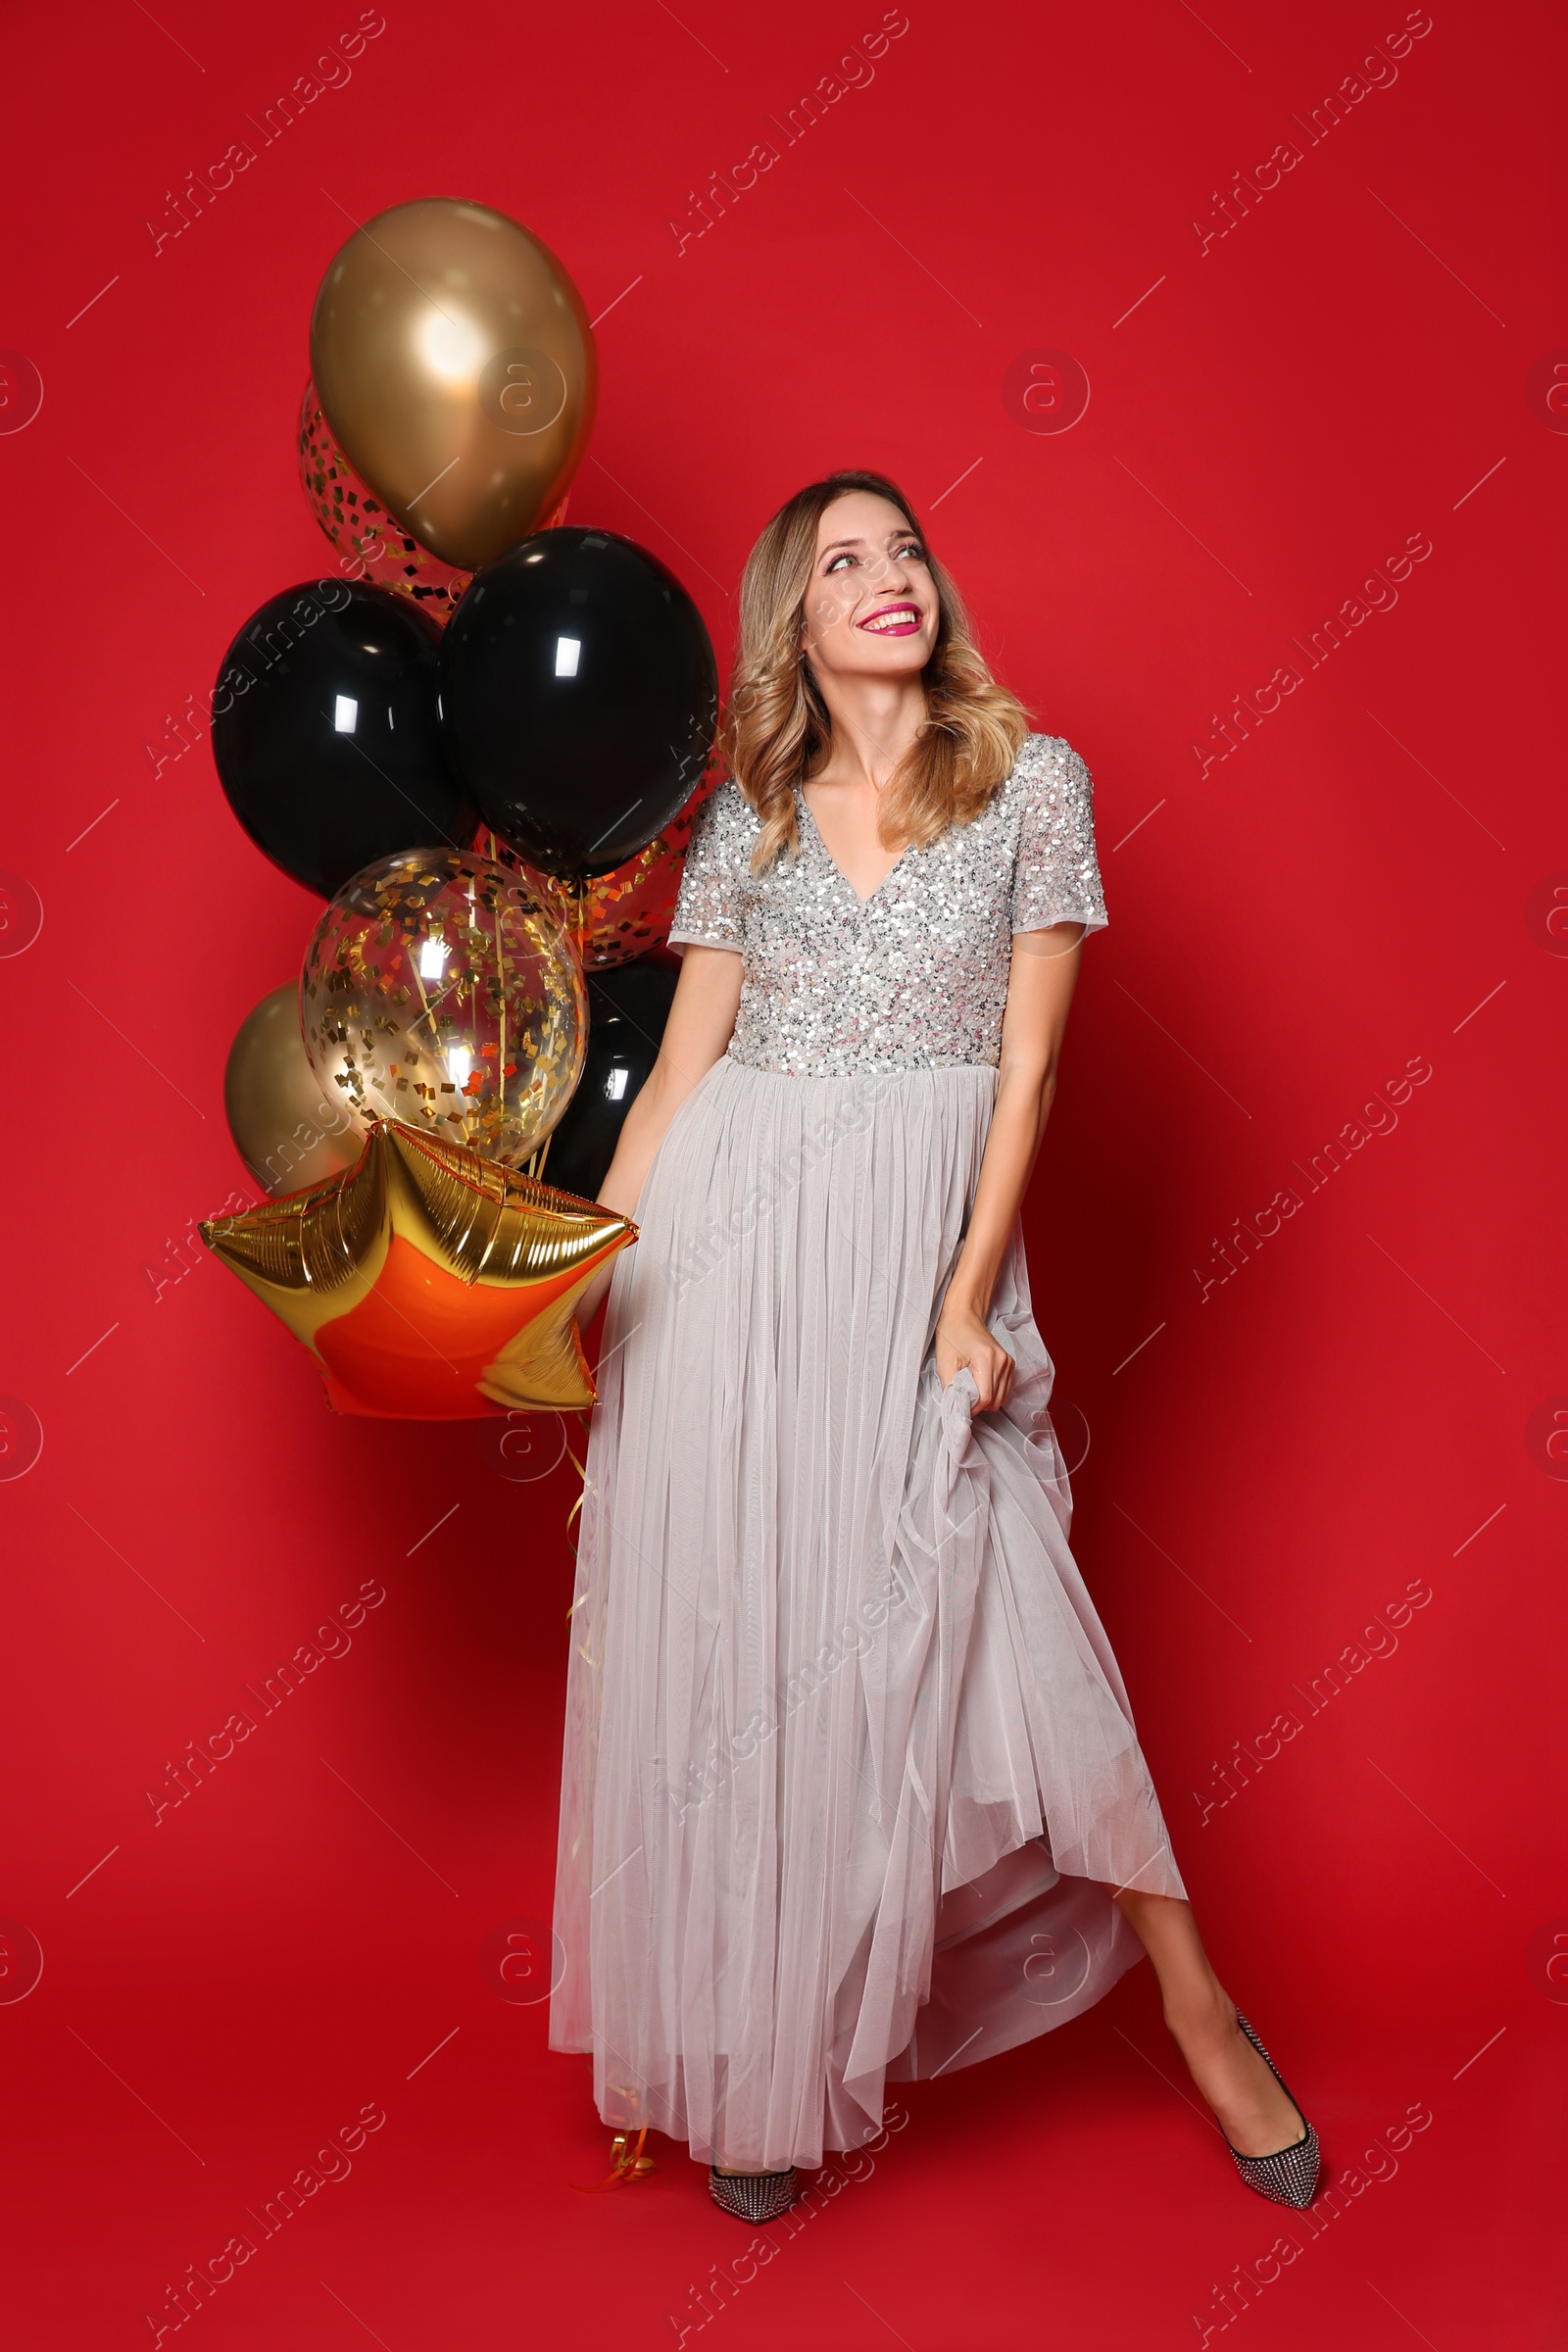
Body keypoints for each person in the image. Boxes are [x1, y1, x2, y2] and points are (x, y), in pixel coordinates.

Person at [550, 469, 1319, 2222]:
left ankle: (1204, 2021)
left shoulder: (1031, 782)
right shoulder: (745, 813)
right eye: (844, 561)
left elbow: (1031, 1073)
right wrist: (598, 1284)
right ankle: (761, 2059)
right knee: (761, 1655)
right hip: (728, 1262)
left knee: (1010, 1613)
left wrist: (969, 1300)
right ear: (795, 623)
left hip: (917, 1259)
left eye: (904, 549)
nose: (890, 576)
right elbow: (677, 1076)